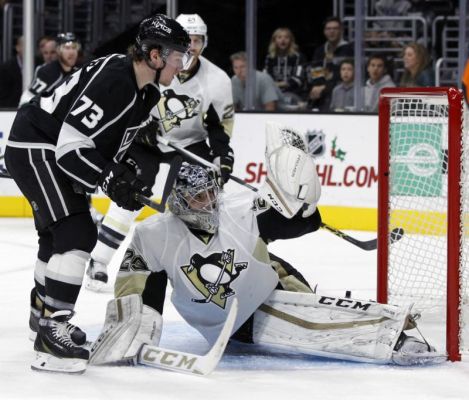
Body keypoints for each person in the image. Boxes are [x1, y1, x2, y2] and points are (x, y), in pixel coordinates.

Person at [89, 155, 441, 368]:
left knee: (304, 304)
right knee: (304, 324)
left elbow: (288, 222)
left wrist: (305, 209)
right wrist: (130, 332)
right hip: (223, 319)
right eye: (199, 197)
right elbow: (134, 285)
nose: (210, 201)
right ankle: (386, 329)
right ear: (180, 200)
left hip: (265, 287)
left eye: (213, 191)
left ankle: (391, 331)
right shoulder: (153, 234)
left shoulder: (239, 207)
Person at [4, 13, 191, 374]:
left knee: (56, 235)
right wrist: (111, 177)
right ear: (154, 55)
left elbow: (110, 143)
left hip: (47, 144)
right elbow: (70, 149)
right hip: (36, 143)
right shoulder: (116, 79)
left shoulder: (146, 89)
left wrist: (125, 172)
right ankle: (51, 334)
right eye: (176, 56)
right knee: (76, 232)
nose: (180, 66)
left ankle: (42, 317)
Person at [86, 13, 235, 291]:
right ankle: (99, 260)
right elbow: (130, 98)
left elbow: (218, 126)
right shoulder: (156, 65)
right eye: (186, 40)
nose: (191, 46)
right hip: (148, 141)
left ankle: (207, 269)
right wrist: (139, 123)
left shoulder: (218, 80)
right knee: (130, 194)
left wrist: (222, 155)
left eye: (197, 40)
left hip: (190, 144)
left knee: (203, 204)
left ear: (205, 42)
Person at [306, 17, 353, 111]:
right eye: (328, 29)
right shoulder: (319, 51)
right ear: (324, 32)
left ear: (341, 31)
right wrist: (318, 86)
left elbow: (347, 75)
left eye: (335, 28)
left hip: (342, 90)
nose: (332, 31)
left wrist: (325, 87)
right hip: (321, 91)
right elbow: (316, 72)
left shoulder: (349, 49)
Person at [19, 32, 80, 106]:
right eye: (67, 48)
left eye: (74, 47)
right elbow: (26, 102)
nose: (71, 52)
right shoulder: (48, 72)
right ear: (58, 50)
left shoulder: (79, 72)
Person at [263, 27, 306, 108]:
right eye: (279, 37)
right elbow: (265, 78)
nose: (283, 40)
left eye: (286, 37)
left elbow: (298, 80)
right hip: (273, 95)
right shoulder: (269, 58)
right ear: (274, 40)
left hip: (294, 94)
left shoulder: (298, 57)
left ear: (291, 40)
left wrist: (277, 84)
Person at [0, 36, 23, 108]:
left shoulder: (38, 64)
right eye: (24, 45)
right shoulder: (6, 68)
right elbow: (3, 96)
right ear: (17, 47)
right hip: (12, 109)